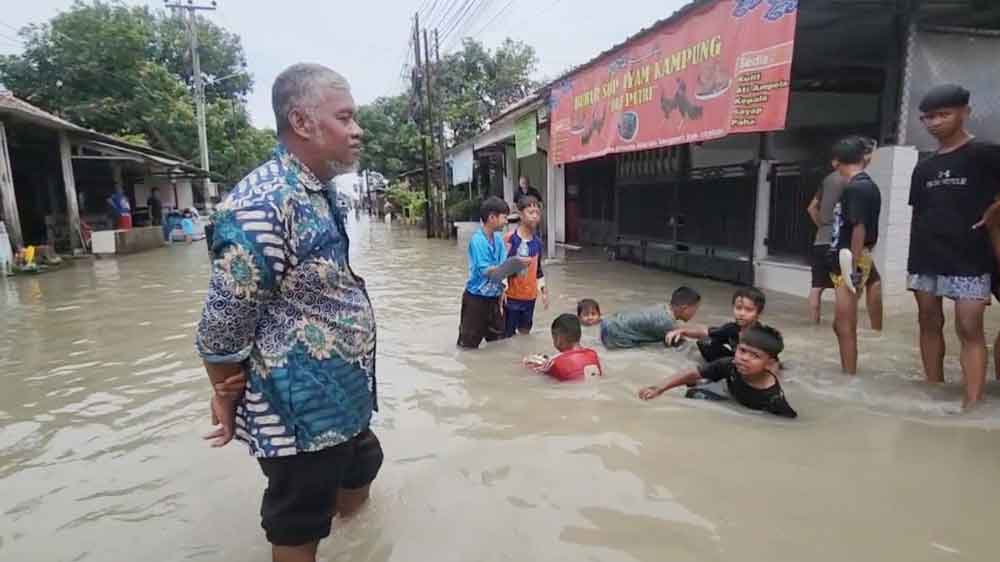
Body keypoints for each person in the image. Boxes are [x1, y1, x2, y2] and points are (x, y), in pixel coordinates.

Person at [195, 64, 382, 562]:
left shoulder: (317, 190)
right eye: (345, 117)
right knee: (299, 520)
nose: (357, 130)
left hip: (343, 395)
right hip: (300, 413)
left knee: (363, 467)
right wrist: (226, 395)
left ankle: (357, 548)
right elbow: (221, 327)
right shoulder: (263, 203)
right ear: (302, 122)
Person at [907, 84, 1000, 409]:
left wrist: (995, 208)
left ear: (965, 113)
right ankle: (933, 391)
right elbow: (918, 213)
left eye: (943, 114)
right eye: (928, 117)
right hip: (926, 256)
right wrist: (913, 260)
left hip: (971, 256)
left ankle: (971, 405)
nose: (934, 123)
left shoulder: (985, 154)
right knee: (928, 321)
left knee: (969, 327)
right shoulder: (923, 167)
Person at [638, 324, 797, 418]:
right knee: (693, 393)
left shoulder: (774, 398)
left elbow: (786, 422)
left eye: (754, 355)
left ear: (769, 364)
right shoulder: (730, 364)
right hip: (729, 390)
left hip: (744, 405)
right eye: (742, 350)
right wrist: (659, 388)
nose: (744, 358)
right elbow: (692, 372)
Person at [806, 138, 883, 329]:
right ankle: (876, 329)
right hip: (848, 247)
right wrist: (855, 265)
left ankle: (814, 325)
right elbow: (859, 226)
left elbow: (811, 208)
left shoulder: (827, 180)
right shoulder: (854, 183)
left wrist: (823, 227)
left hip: (824, 241)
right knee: (870, 284)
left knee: (817, 288)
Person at [828, 136, 882, 375]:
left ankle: (848, 376)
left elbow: (859, 227)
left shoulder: (856, 188)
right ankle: (848, 372)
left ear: (835, 162)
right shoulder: (865, 185)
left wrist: (853, 267)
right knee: (840, 324)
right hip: (851, 258)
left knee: (844, 325)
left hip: (850, 260)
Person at [458, 196, 530, 349]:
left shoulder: (498, 239)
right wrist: (513, 265)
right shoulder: (477, 241)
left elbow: (502, 266)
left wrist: (506, 285)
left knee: (498, 343)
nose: (506, 221)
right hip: (476, 299)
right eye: (504, 217)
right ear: (492, 217)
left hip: (495, 298)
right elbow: (488, 271)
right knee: (468, 345)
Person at [665, 286, 766, 362]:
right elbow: (706, 332)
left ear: (758, 313)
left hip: (748, 367)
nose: (742, 313)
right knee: (705, 342)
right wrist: (681, 331)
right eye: (738, 308)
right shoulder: (731, 328)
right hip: (734, 362)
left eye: (748, 310)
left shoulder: (763, 336)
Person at [504, 196, 548, 337]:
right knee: (508, 335)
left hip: (530, 298)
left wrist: (543, 291)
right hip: (511, 296)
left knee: (525, 333)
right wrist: (502, 291)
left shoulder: (538, 243)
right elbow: (502, 267)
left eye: (537, 213)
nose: (535, 216)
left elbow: (538, 270)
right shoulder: (510, 239)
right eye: (531, 212)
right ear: (521, 214)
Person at [600, 287, 701, 349]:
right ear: (684, 308)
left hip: (609, 322)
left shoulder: (662, 308)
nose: (695, 313)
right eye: (695, 309)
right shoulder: (667, 322)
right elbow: (682, 344)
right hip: (615, 334)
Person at [523, 314, 603, 382]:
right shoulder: (593, 354)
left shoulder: (555, 363)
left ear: (559, 338)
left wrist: (528, 361)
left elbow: (538, 370)